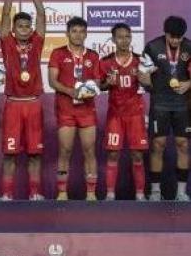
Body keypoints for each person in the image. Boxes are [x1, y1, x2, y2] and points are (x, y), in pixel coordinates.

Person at [0, 0, 46, 200]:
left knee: (35, 154)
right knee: (10, 155)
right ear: (14, 29)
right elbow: (5, 14)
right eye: (21, 26)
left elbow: (42, 14)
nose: (25, 29)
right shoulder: (7, 43)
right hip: (13, 105)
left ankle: (35, 194)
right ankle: (7, 195)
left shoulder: (37, 42)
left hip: (33, 105)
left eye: (28, 26)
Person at [48, 17, 101, 201]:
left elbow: (97, 81)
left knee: (89, 150)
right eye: (74, 31)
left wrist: (89, 90)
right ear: (67, 33)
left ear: (86, 34)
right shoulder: (57, 53)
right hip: (66, 110)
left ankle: (91, 192)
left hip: (87, 110)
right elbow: (52, 81)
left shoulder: (93, 55)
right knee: (65, 150)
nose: (78, 35)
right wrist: (70, 91)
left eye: (81, 31)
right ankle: (62, 192)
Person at [142, 15, 191, 201]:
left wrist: (189, 84)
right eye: (172, 37)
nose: (175, 40)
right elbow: (142, 72)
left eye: (179, 37)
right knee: (157, 145)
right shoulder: (153, 47)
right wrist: (146, 80)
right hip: (160, 103)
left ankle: (181, 192)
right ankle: (155, 192)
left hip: (182, 105)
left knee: (183, 145)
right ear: (166, 33)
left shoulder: (189, 47)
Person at [99, 23, 147, 201]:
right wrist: (107, 84)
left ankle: (140, 194)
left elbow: (149, 85)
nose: (124, 40)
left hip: (135, 114)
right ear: (113, 39)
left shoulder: (140, 60)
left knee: (137, 154)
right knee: (113, 153)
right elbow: (99, 86)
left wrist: (146, 79)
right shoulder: (105, 62)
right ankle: (110, 193)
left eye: (127, 36)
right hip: (115, 115)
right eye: (120, 37)